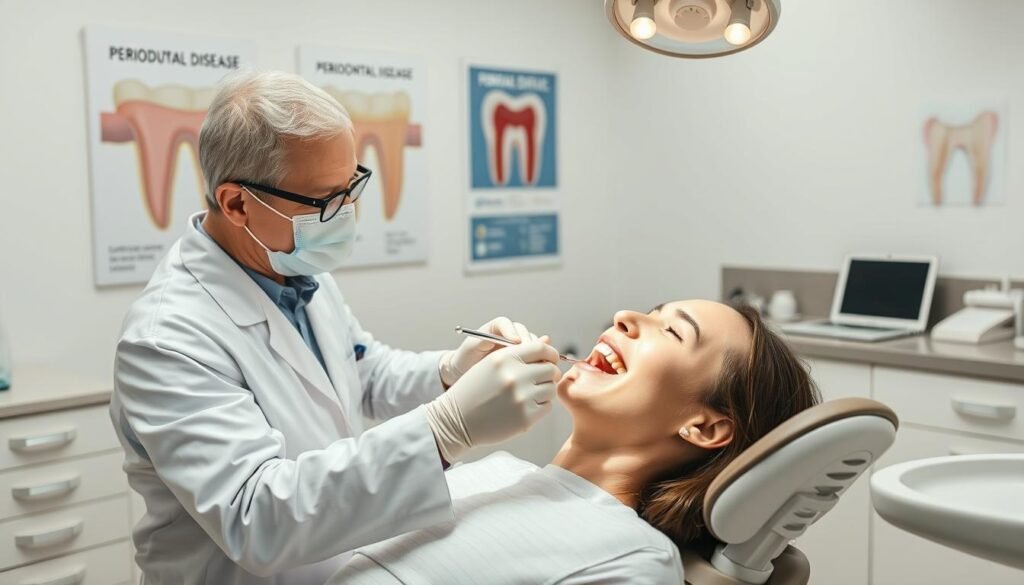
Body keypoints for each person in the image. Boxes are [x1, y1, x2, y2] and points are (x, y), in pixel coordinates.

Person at [109, 70, 561, 585]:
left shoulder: (291, 266)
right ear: (236, 203)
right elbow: (256, 518)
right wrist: (442, 431)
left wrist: (449, 371)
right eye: (326, 200)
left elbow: (359, 368)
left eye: (351, 187)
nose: (347, 213)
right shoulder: (167, 338)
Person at [330, 300, 821, 584]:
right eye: (651, 310)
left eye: (670, 331)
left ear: (706, 427)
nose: (625, 315)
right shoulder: (499, 471)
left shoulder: (635, 559)